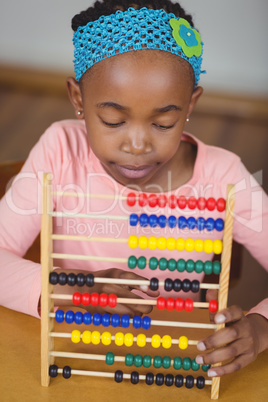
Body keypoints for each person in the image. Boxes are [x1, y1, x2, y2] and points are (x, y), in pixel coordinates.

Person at [0, 0, 267, 380]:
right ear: (78, 98)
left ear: (190, 104)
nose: (137, 145)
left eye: (163, 123)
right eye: (113, 120)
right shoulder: (61, 149)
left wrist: (260, 328)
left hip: (174, 370)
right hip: (75, 357)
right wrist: (68, 291)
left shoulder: (224, 176)